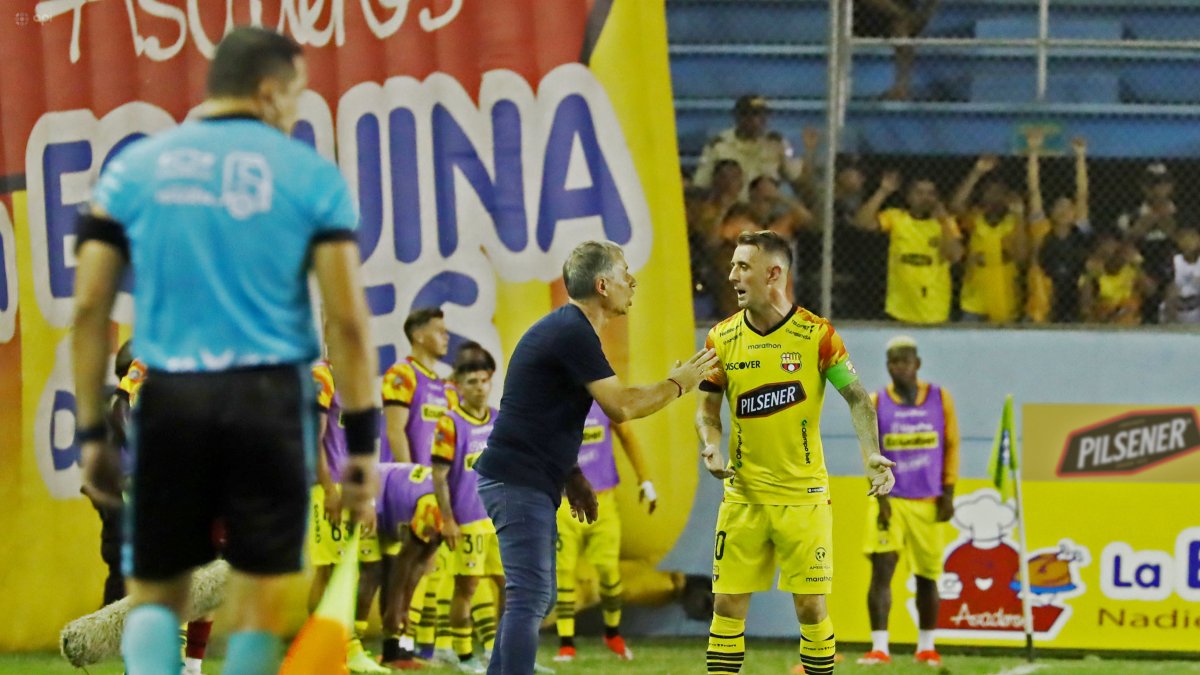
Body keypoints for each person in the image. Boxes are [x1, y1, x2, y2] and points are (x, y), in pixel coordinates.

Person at [71, 27, 379, 675]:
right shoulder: (308, 176)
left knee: (158, 593)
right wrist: (361, 447)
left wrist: (94, 432)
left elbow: (89, 309)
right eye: (295, 96)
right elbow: (349, 323)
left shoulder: (134, 169)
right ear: (269, 92)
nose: (294, 111)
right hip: (267, 403)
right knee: (254, 597)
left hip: (170, 399)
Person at [473, 240, 719, 674]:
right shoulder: (573, 333)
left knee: (534, 596)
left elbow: (542, 415)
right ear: (603, 285)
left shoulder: (570, 331)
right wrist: (679, 383)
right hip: (517, 481)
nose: (633, 281)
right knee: (531, 596)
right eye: (626, 273)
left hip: (523, 479)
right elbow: (621, 406)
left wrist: (572, 476)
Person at [696, 230, 896, 675]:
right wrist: (710, 445)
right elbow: (707, 408)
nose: (731, 275)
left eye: (742, 266)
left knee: (809, 607)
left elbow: (859, 399)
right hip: (743, 496)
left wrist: (870, 456)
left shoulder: (817, 335)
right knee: (726, 604)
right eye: (732, 266)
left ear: (774, 274)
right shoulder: (721, 338)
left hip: (804, 497)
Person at [858, 336, 959, 668]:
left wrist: (948, 492)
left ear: (917, 364)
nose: (898, 367)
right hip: (891, 500)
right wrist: (881, 495)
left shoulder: (939, 399)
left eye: (904, 361)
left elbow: (951, 446)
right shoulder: (877, 403)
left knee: (927, 576)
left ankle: (927, 647)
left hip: (928, 499)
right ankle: (879, 647)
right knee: (882, 569)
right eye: (892, 362)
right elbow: (872, 454)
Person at [553, 401, 657, 663]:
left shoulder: (604, 400)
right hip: (564, 503)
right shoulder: (551, 401)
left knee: (609, 571)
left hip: (604, 501)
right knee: (563, 572)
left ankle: (612, 633)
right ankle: (566, 644)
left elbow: (627, 435)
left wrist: (644, 479)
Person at [381, 307, 455, 663]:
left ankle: (408, 644)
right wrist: (411, 482)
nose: (446, 336)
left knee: (423, 566)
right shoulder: (401, 374)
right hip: (407, 489)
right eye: (439, 330)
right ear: (419, 335)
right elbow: (395, 429)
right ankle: (391, 645)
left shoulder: (446, 387)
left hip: (433, 491)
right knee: (400, 564)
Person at [307, 360, 390, 675]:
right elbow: (314, 438)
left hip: (352, 489)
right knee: (329, 571)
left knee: (358, 568)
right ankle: (337, 651)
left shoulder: (354, 380)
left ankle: (339, 647)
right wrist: (328, 490)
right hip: (330, 488)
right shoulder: (322, 376)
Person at [432, 349, 504, 674]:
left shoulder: (500, 419)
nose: (479, 387)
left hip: (499, 520)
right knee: (468, 587)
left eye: (484, 381)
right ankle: (463, 655)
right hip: (467, 520)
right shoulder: (449, 423)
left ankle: (503, 652)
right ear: (458, 386)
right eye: (471, 381)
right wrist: (447, 517)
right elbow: (439, 474)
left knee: (508, 585)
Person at [856, 173, 964, 323]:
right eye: (919, 193)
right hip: (900, 308)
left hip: (935, 309)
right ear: (908, 197)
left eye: (930, 194)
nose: (925, 198)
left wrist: (944, 222)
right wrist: (883, 192)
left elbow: (955, 256)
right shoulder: (896, 217)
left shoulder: (946, 223)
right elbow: (862, 222)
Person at [376, 462, 449, 670]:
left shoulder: (459, 509)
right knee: (373, 573)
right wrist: (395, 609)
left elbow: (420, 562)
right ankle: (353, 647)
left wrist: (405, 607)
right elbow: (404, 562)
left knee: (406, 573)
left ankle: (392, 653)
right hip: (374, 489)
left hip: (393, 495)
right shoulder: (434, 509)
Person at [950, 156, 1029, 323]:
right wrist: (976, 173)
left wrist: (1019, 214)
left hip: (1005, 298)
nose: (995, 197)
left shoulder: (1014, 222)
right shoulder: (976, 218)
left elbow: (1022, 256)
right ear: (982, 195)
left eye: (1000, 192)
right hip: (974, 300)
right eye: (990, 192)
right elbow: (955, 206)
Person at [1025, 131, 1092, 323]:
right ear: (1051, 212)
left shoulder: (1080, 233)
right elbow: (1034, 189)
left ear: (1074, 214)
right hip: (1040, 308)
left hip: (1072, 305)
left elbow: (1082, 193)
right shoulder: (1041, 229)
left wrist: (1080, 156)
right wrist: (1033, 152)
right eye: (1059, 206)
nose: (1063, 210)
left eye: (1068, 207)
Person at [693, 96, 805, 196]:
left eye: (762, 115)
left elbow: (795, 175)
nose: (757, 122)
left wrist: (809, 151)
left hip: (765, 211)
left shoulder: (777, 143)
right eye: (749, 115)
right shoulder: (719, 145)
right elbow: (701, 183)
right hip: (731, 210)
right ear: (738, 117)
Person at [1116, 162, 1178, 323]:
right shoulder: (1129, 215)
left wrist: (1168, 225)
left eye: (1163, 184)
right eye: (1153, 184)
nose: (1158, 189)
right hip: (1140, 270)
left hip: (1173, 271)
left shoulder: (1181, 213)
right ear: (1144, 187)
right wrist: (1138, 230)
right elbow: (1119, 249)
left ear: (1171, 186)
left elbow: (1189, 245)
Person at [853, 0, 941, 100]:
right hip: (859, 14)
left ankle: (901, 89)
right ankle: (901, 88)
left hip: (896, 19)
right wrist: (897, 12)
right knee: (900, 21)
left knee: (900, 26)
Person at [1078, 237, 1154, 325]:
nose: (1111, 258)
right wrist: (1090, 275)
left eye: (1116, 253)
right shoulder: (1093, 273)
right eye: (1105, 254)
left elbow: (1150, 290)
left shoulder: (1131, 270)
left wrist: (1137, 266)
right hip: (1103, 317)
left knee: (1130, 307)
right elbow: (1085, 306)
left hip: (1128, 316)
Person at [1159, 227, 1200, 324]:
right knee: (1166, 303)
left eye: (1192, 237)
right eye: (1183, 237)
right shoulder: (1173, 261)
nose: (1187, 242)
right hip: (1179, 306)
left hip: (1197, 304)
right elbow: (1170, 289)